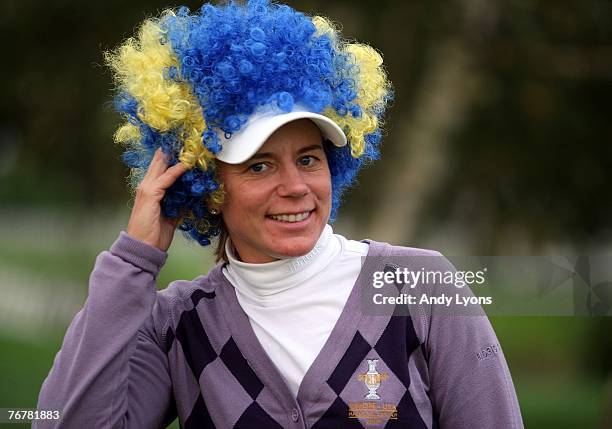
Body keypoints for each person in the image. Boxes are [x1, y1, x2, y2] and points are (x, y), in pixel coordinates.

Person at [35, 1, 523, 428]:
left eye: (309, 158)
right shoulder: (176, 325)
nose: (295, 187)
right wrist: (132, 262)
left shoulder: (420, 284)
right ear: (207, 183)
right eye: (259, 165)